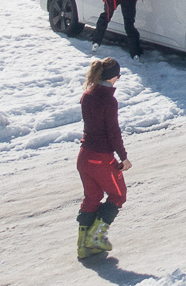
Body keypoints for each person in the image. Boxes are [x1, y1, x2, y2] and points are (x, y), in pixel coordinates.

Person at [76, 57, 130, 258]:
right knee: (118, 195)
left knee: (92, 197)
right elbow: (113, 132)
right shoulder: (109, 100)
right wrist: (123, 157)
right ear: (114, 77)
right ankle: (95, 237)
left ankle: (83, 245)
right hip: (101, 158)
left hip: (84, 157)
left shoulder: (87, 95)